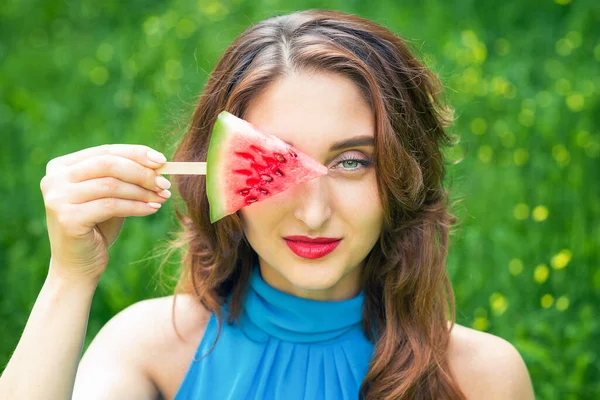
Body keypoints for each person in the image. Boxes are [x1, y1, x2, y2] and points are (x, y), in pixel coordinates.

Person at [0, 9, 535, 400]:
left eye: (352, 162)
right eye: (277, 165)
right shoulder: (150, 351)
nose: (313, 213)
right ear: (220, 177)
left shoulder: (483, 377)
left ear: (406, 177)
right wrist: (69, 277)